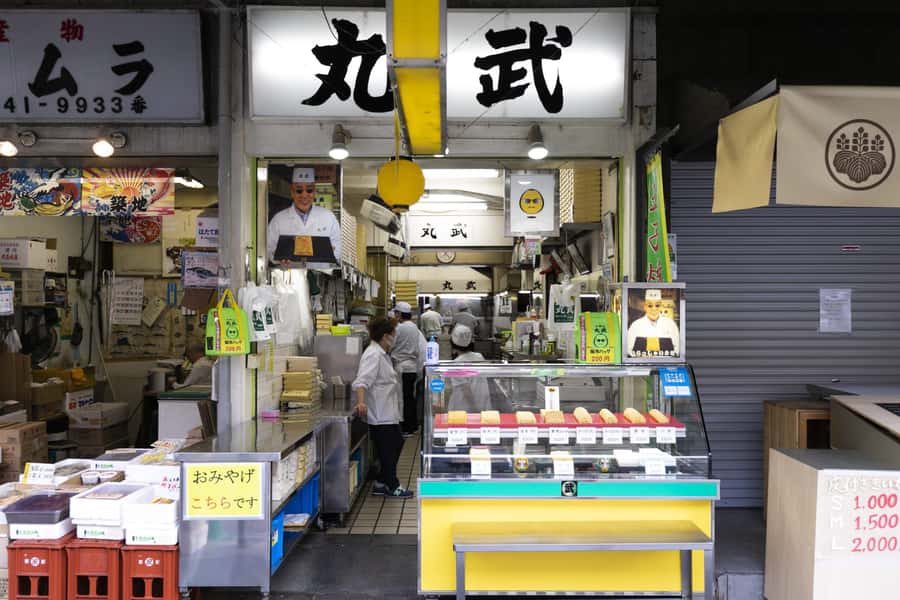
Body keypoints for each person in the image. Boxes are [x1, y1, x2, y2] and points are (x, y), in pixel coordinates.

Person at [352, 317, 413, 498]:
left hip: (387, 410)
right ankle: (392, 485)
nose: (394, 338)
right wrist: (361, 402)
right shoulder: (373, 354)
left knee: (395, 443)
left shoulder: (382, 353)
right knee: (389, 446)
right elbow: (362, 381)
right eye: (393, 335)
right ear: (385, 336)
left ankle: (381, 481)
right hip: (379, 412)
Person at [266, 167, 342, 271]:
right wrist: (278, 258)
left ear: (314, 192)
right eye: (299, 190)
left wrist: (328, 252)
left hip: (320, 277)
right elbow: (269, 249)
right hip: (289, 280)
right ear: (292, 192)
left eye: (309, 190)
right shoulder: (279, 220)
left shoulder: (328, 217)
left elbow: (338, 249)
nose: (304, 195)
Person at [390, 302, 426, 437]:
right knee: (410, 397)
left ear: (399, 314)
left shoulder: (399, 328)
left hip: (402, 368)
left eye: (395, 313)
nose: (394, 316)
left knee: (402, 399)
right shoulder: (414, 327)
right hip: (412, 367)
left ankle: (405, 428)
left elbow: (391, 345)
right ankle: (413, 426)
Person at [626, 289, 680, 358]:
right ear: (645, 306)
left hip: (664, 366)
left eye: (657, 305)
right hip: (642, 367)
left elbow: (677, 349)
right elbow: (628, 350)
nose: (654, 309)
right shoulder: (635, 326)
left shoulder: (671, 325)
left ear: (661, 306)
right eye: (650, 305)